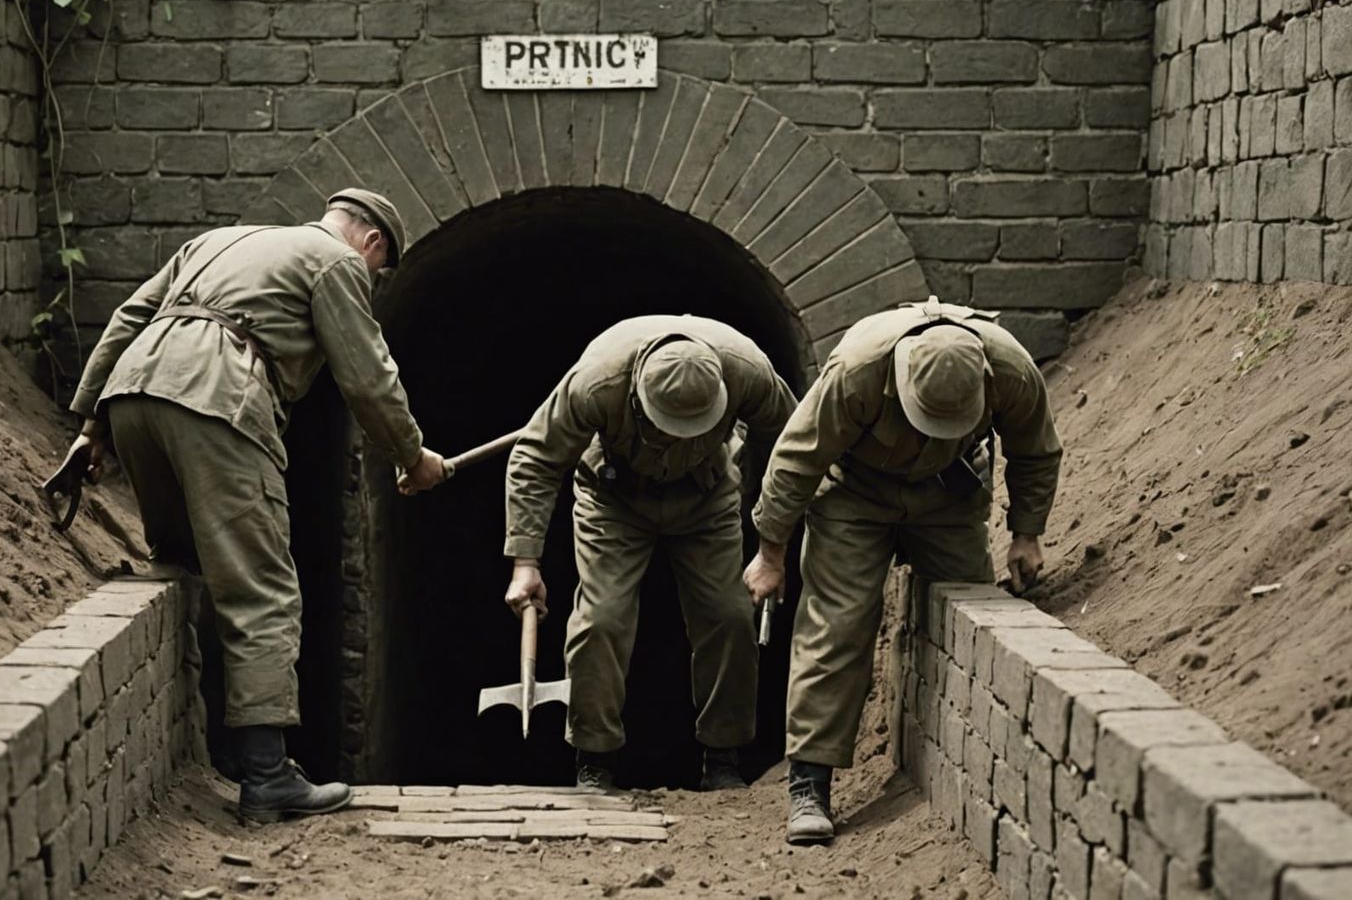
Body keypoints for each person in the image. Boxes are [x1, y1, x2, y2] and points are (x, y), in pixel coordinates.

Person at [61, 188, 447, 822]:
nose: (373, 277)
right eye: (381, 272)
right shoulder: (337, 262)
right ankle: (267, 774)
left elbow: (129, 317)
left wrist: (90, 425)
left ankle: (214, 749)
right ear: (373, 242)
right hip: (218, 402)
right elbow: (367, 377)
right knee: (262, 588)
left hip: (134, 395)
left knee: (187, 563)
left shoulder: (218, 241)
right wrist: (411, 456)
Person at [743, 297, 1061, 845]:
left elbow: (1035, 450)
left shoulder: (1011, 370)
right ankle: (809, 783)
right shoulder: (858, 371)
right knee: (837, 626)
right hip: (852, 493)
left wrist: (1026, 534)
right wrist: (771, 555)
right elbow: (797, 458)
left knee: (970, 605)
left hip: (948, 490)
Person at [502, 315, 797, 792]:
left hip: (707, 496)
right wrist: (525, 563)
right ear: (638, 398)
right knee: (601, 620)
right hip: (613, 498)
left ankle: (723, 755)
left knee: (730, 617)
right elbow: (536, 458)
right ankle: (593, 757)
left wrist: (771, 545)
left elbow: (795, 445)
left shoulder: (747, 370)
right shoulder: (596, 380)